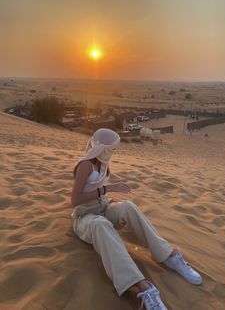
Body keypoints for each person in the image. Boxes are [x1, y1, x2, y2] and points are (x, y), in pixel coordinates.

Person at [71, 128, 202, 310]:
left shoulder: (102, 163)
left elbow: (102, 194)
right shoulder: (85, 165)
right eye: (112, 148)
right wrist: (107, 189)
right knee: (100, 224)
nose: (114, 152)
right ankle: (142, 286)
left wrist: (109, 199)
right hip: (85, 217)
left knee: (128, 207)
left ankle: (168, 255)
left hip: (103, 207)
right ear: (103, 148)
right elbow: (75, 199)